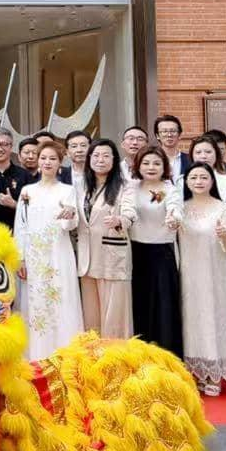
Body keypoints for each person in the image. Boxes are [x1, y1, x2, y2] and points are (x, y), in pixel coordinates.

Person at [15, 142, 84, 362]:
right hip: (33, 256)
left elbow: (72, 225)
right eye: (43, 158)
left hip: (59, 253)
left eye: (52, 158)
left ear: (60, 163)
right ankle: (35, 356)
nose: (47, 162)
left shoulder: (68, 190)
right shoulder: (27, 191)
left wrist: (70, 215)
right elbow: (21, 225)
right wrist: (20, 258)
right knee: (35, 303)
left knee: (61, 300)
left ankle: (63, 355)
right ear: (37, 161)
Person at [177, 162, 226, 396]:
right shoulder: (180, 208)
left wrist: (225, 235)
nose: (198, 182)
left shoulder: (223, 208)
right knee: (191, 319)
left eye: (204, 177)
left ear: (212, 181)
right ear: (186, 182)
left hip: (215, 273)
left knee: (214, 317)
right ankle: (195, 371)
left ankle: (214, 374)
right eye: (193, 177)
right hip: (188, 273)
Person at [121, 147, 185, 359]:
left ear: (164, 166)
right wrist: (125, 218)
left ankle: (167, 356)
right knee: (139, 304)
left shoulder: (168, 189)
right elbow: (127, 209)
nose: (151, 167)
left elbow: (175, 209)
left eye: (156, 163)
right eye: (146, 163)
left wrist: (174, 218)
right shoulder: (131, 187)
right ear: (138, 165)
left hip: (162, 253)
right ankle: (141, 354)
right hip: (136, 252)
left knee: (164, 307)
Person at [77, 139, 132, 341]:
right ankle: (93, 352)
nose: (100, 160)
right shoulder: (81, 186)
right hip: (87, 257)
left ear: (114, 159)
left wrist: (120, 220)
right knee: (90, 314)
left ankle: (116, 353)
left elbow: (130, 213)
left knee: (115, 313)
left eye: (106, 155)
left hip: (112, 255)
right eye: (96, 155)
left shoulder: (125, 186)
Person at [155, 114, 188, 181]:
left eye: (173, 131)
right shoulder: (151, 160)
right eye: (164, 131)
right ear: (157, 135)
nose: (169, 135)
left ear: (179, 135)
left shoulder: (190, 159)